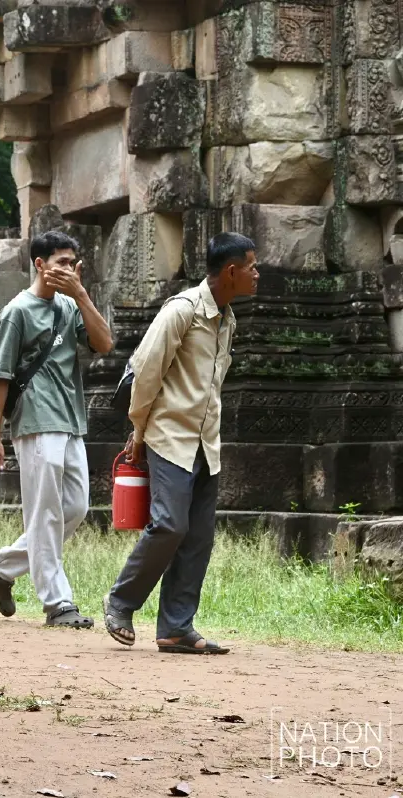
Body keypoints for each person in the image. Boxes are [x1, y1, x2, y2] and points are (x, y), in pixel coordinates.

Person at [103, 232, 259, 655]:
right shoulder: (182, 311)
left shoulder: (227, 320)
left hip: (206, 443)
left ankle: (175, 628)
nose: (257, 273)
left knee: (198, 537)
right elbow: (146, 373)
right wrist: (137, 434)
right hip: (169, 437)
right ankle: (120, 601)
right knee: (169, 525)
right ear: (231, 271)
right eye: (252, 265)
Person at [0, 231, 113, 630]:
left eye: (73, 263)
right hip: (36, 422)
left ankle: (1, 566)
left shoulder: (72, 307)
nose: (68, 270)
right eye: (61, 263)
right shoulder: (17, 311)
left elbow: (104, 344)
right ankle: (58, 603)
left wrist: (83, 295)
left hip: (71, 421)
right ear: (39, 264)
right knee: (46, 513)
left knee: (75, 508)